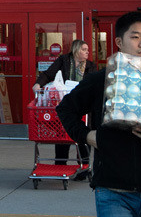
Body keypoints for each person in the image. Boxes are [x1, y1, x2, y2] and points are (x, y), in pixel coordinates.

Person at [57, 11, 141, 217]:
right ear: (119, 42)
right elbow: (65, 109)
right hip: (113, 193)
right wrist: (87, 136)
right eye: (135, 37)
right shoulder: (101, 80)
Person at [32, 39, 95, 176]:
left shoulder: (90, 66)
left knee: (82, 136)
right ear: (76, 50)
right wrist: (38, 84)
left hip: (83, 105)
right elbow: (48, 74)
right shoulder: (64, 60)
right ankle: (60, 165)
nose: (87, 52)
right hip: (65, 103)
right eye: (84, 49)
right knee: (63, 134)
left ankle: (84, 167)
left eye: (87, 50)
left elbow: (92, 84)